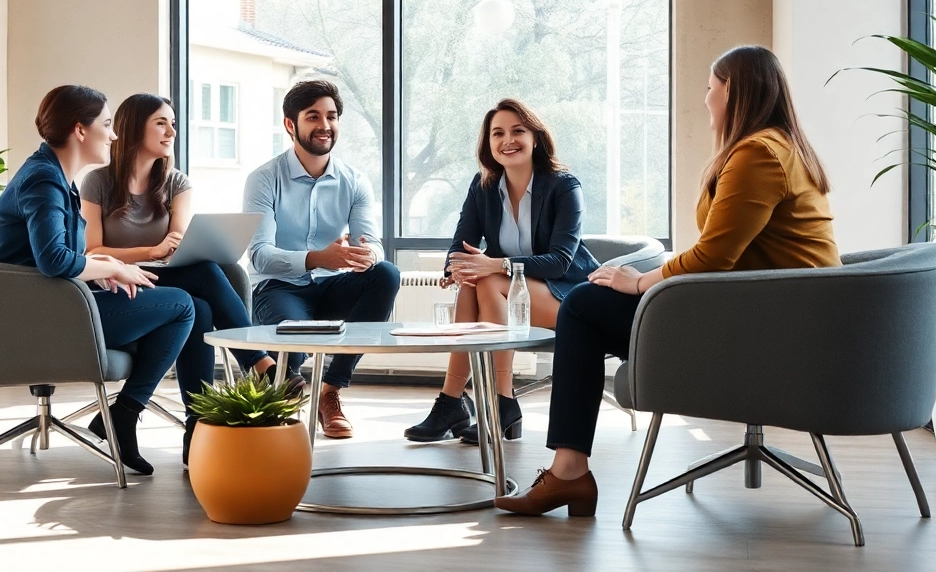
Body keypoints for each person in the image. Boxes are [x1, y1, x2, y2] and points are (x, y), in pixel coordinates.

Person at [495, 45, 842, 517]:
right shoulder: (781, 146)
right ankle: (568, 472)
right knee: (586, 303)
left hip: (768, 330)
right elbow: (727, 255)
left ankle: (569, 473)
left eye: (710, 88)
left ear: (732, 93)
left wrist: (639, 282)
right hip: (779, 316)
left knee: (581, 306)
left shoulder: (758, 154)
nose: (705, 99)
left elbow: (714, 256)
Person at [0, 85, 195, 477]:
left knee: (191, 305)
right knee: (183, 306)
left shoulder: (55, 176)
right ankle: (124, 414)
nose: (114, 135)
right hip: (40, 318)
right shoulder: (43, 180)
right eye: (106, 124)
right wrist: (113, 268)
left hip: (54, 305)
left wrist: (100, 268)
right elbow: (53, 260)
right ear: (80, 130)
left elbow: (57, 256)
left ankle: (127, 417)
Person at [80, 93, 297, 466]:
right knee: (201, 288)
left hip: (166, 284)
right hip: (118, 291)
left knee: (198, 298)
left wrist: (167, 249)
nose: (171, 131)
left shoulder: (175, 182)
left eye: (173, 123)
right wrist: (150, 251)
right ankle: (258, 364)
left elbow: (175, 246)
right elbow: (93, 253)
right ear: (135, 129)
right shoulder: (97, 183)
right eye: (161, 123)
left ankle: (191, 425)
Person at [405, 99, 598, 445]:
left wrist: (496, 264)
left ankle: (499, 401)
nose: (508, 140)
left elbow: (560, 261)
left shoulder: (564, 186)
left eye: (517, 131)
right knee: (473, 282)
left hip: (567, 297)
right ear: (489, 144)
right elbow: (459, 244)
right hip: (509, 293)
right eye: (498, 133)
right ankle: (454, 402)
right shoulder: (483, 188)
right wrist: (456, 268)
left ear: (535, 138)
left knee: (489, 278)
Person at [244, 80, 401, 439]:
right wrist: (317, 257)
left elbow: (373, 243)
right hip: (280, 287)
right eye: (313, 116)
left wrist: (365, 256)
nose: (325, 125)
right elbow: (260, 255)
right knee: (292, 358)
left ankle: (330, 392)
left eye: (331, 116)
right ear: (290, 125)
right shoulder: (264, 180)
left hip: (334, 286)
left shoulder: (355, 180)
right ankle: (284, 391)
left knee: (387, 273)